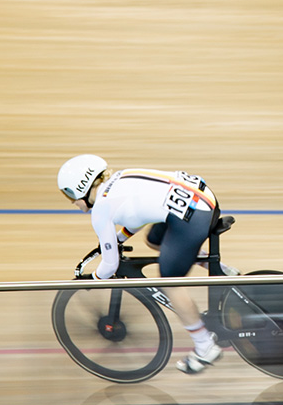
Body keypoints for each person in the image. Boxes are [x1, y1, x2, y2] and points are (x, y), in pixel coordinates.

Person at [58, 153, 226, 374]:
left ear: (81, 187)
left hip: (191, 217)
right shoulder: (120, 177)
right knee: (153, 239)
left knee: (169, 282)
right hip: (201, 199)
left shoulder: (101, 209)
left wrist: (93, 280)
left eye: (69, 195)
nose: (72, 202)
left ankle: (205, 346)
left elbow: (110, 266)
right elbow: (138, 215)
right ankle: (221, 271)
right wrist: (118, 239)